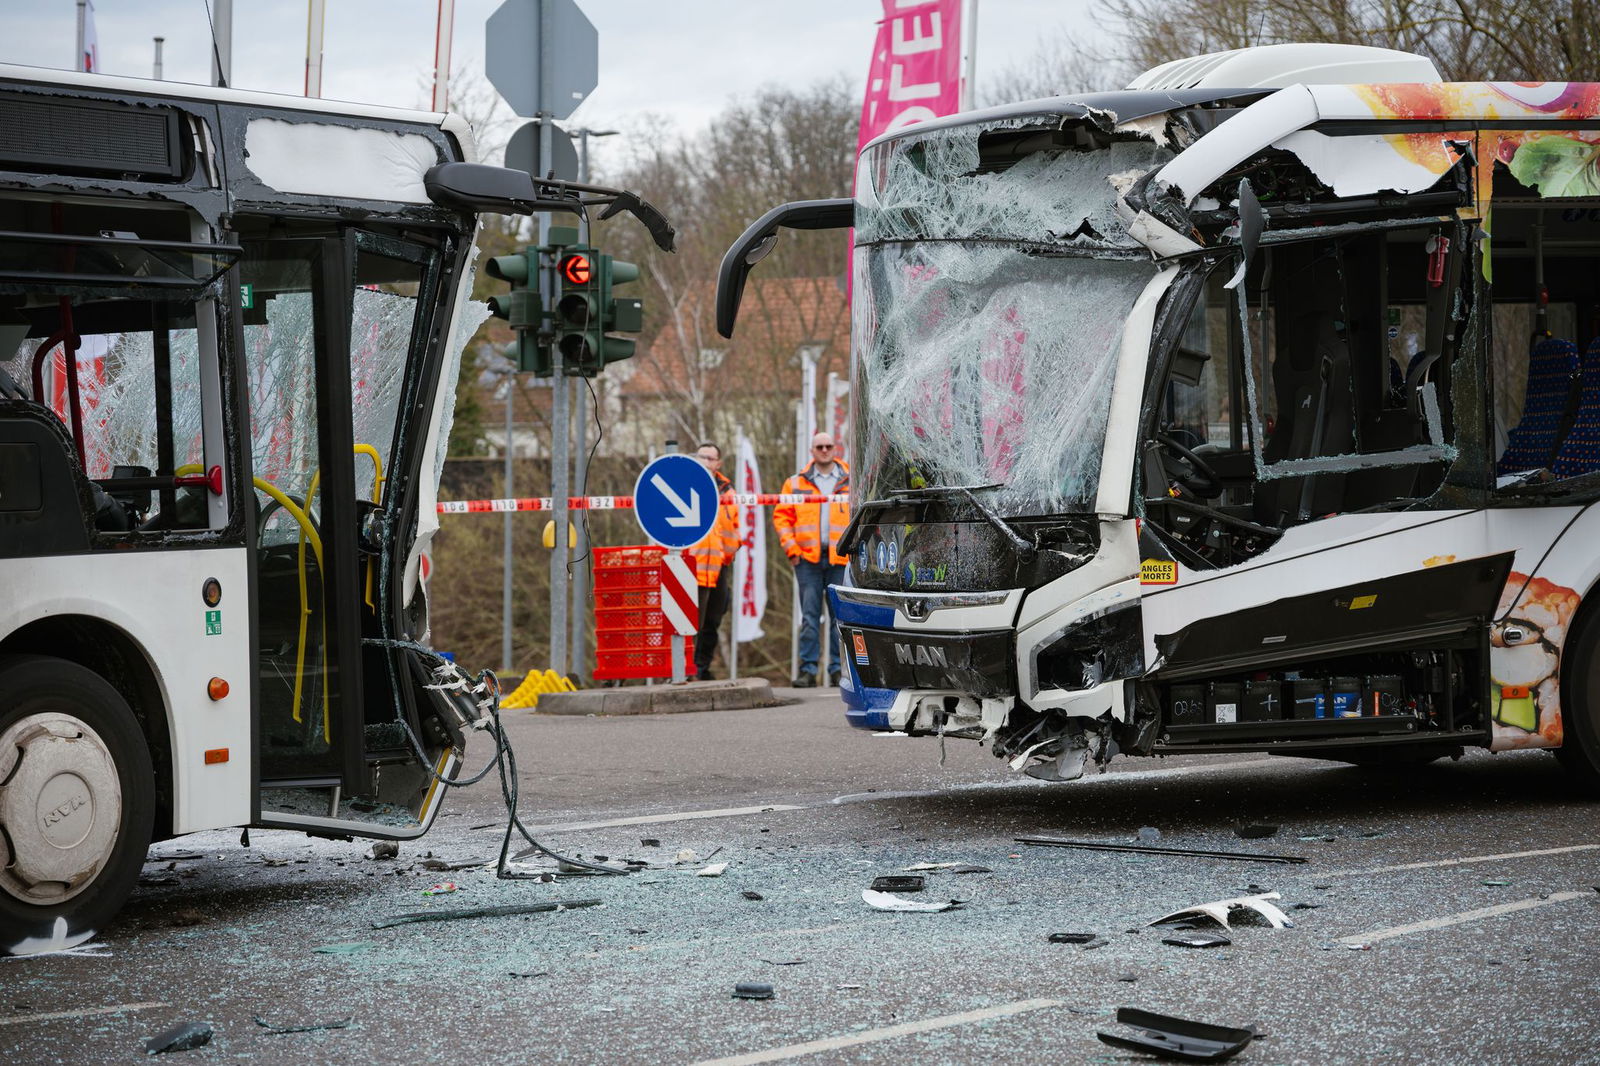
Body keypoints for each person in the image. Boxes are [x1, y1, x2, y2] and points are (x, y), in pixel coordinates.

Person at [773, 431, 850, 687]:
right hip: (807, 559)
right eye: (820, 446)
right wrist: (792, 550)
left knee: (838, 618)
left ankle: (838, 670)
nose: (825, 450)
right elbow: (781, 517)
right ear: (812, 450)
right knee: (809, 617)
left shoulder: (851, 478)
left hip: (840, 559)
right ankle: (808, 670)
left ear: (835, 448)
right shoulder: (795, 482)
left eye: (829, 446)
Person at [690, 442, 740, 681]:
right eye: (702, 457)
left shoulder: (728, 491)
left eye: (710, 459)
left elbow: (734, 529)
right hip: (692, 566)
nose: (706, 463)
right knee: (690, 622)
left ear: (718, 463)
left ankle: (702, 667)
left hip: (720, 565)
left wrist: (728, 557)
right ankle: (686, 668)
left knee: (713, 619)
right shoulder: (685, 484)